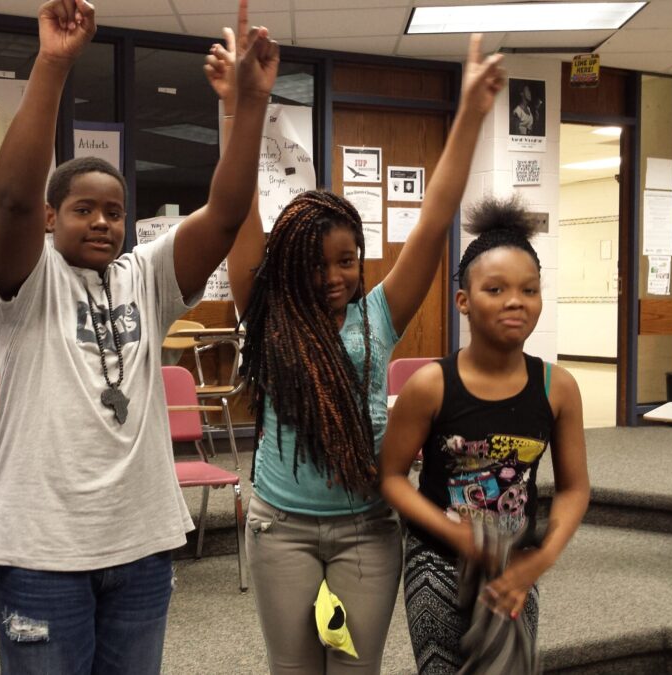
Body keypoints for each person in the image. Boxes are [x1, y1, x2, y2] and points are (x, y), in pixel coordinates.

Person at [0, 1, 277, 672]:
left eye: (116, 211)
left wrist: (248, 106)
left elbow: (226, 214)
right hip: (41, 549)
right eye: (84, 209)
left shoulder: (146, 275)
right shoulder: (26, 280)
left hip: (140, 543)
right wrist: (53, 63)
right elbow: (13, 202)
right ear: (53, 218)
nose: (104, 222)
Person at [207, 27, 505, 673]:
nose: (336, 276)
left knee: (352, 668)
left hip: (366, 526)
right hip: (279, 527)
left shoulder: (377, 316)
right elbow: (235, 213)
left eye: (347, 260)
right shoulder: (266, 315)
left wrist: (474, 115)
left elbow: (434, 216)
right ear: (289, 265)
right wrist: (237, 108)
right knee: (294, 668)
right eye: (318, 264)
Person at [380, 196, 590, 674]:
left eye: (529, 290)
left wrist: (542, 558)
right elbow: (390, 477)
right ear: (464, 301)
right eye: (495, 289)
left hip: (515, 564)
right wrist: (455, 532)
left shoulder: (557, 387)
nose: (515, 301)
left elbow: (575, 488)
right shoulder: (431, 384)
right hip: (435, 560)